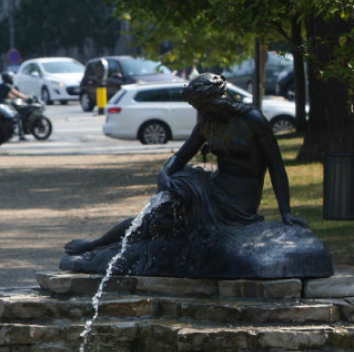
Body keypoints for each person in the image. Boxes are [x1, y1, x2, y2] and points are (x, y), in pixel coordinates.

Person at [64, 72, 306, 258]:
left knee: (177, 216)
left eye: (201, 106)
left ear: (216, 100)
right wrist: (164, 173)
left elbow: (276, 166)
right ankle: (97, 246)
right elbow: (180, 157)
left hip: (240, 203)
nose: (199, 112)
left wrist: (285, 211)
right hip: (214, 189)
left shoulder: (251, 120)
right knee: (158, 217)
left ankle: (103, 249)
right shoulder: (207, 123)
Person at [0, 73, 31, 140]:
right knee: (18, 117)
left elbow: (8, 95)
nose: (12, 80)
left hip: (0, 104)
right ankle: (21, 135)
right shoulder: (7, 86)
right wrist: (27, 97)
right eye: (11, 78)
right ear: (8, 79)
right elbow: (17, 93)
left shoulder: (1, 86)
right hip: (5, 104)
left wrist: (14, 97)